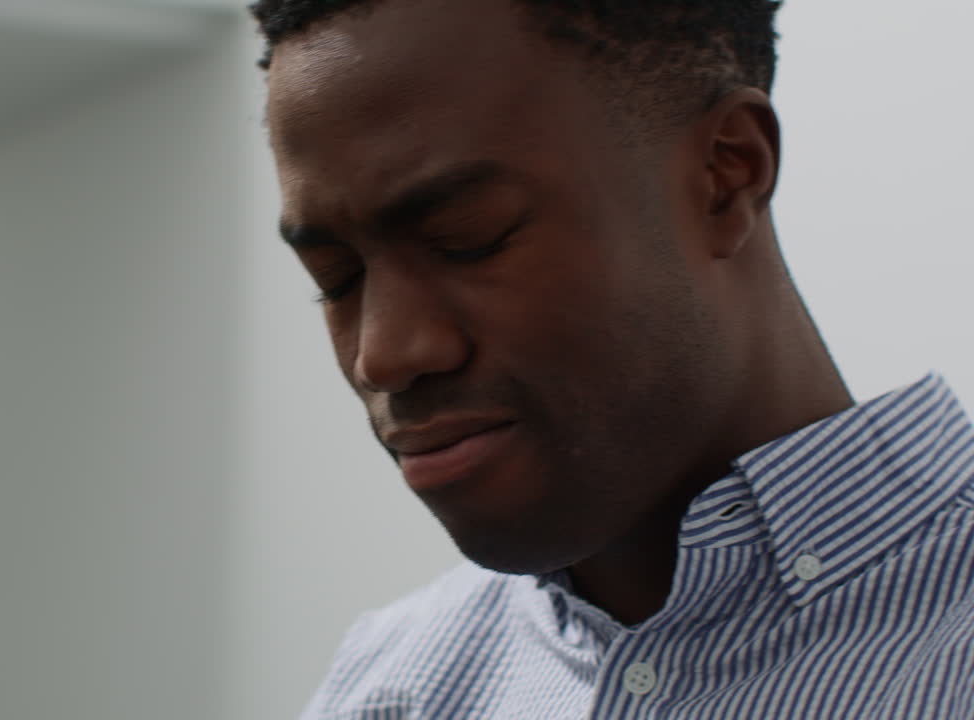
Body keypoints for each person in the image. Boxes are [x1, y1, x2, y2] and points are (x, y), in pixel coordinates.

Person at [249, 0, 974, 716]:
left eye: (467, 237)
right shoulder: (389, 685)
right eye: (337, 279)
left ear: (727, 174)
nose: (383, 354)